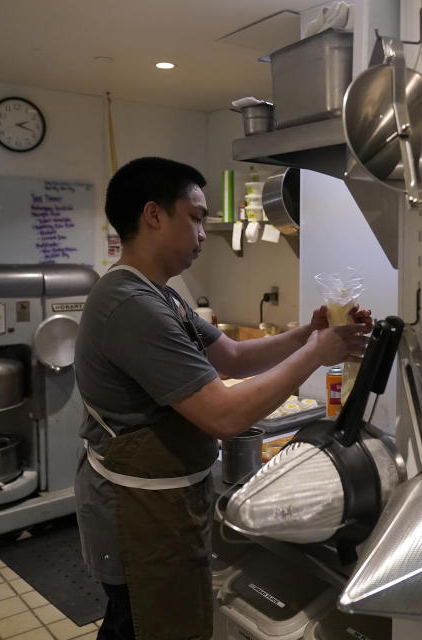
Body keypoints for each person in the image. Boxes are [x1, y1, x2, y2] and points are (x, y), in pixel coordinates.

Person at [73, 156, 372, 640]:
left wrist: (308, 333)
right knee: (141, 626)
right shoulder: (132, 305)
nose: (200, 232)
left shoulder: (161, 296)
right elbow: (224, 415)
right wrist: (319, 353)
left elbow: (231, 357)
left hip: (162, 503)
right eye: (194, 217)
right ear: (153, 215)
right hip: (138, 516)